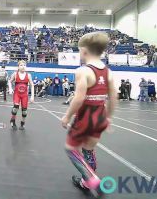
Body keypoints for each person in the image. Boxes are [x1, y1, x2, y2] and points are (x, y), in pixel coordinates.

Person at [61, 32, 117, 197]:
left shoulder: (83, 71)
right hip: (100, 115)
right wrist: (108, 118)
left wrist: (67, 116)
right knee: (89, 149)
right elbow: (114, 97)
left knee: (71, 149)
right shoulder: (108, 72)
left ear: (84, 51)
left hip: (85, 116)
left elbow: (78, 99)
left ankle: (93, 181)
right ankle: (86, 182)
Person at [8, 60, 34, 130]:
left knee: (24, 110)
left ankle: (23, 123)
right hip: (17, 94)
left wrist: (32, 96)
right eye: (21, 65)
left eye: (24, 65)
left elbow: (32, 85)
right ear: (18, 67)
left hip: (24, 95)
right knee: (15, 107)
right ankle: (12, 120)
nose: (23, 67)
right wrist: (10, 88)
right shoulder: (15, 74)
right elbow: (9, 81)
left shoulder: (28, 75)